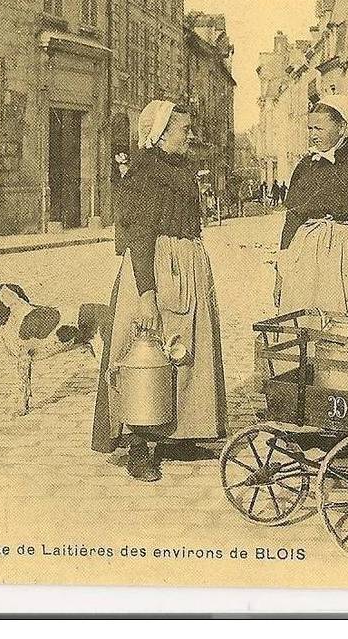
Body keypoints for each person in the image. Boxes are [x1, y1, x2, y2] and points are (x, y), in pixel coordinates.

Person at [92, 100, 227, 482]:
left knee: (185, 348)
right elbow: (139, 234)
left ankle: (180, 431)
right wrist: (146, 294)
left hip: (186, 266)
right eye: (183, 129)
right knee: (146, 350)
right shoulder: (147, 172)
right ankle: (139, 443)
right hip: (154, 268)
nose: (190, 135)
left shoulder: (178, 169)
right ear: (161, 132)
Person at [275, 94, 348, 319]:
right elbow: (291, 222)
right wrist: (280, 275)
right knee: (303, 326)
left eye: (318, 129)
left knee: (345, 330)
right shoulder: (306, 166)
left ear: (341, 128)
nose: (312, 135)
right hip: (305, 259)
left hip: (346, 258)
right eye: (310, 129)